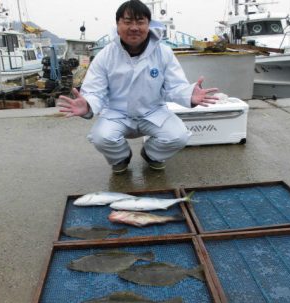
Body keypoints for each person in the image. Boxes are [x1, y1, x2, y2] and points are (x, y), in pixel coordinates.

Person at [58, 0, 219, 173]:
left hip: (153, 111)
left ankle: (151, 154)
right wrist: (88, 104)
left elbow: (175, 87)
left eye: (140, 22)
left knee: (178, 136)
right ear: (117, 24)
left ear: (148, 25)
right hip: (117, 113)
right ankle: (121, 157)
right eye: (128, 22)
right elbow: (95, 90)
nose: (134, 27)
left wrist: (189, 95)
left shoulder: (163, 52)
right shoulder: (105, 55)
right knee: (101, 137)